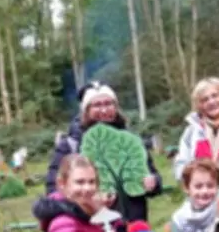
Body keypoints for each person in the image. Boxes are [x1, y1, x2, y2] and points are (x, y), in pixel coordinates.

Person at [44, 81, 162, 224]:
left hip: (134, 224)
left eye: (108, 104)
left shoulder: (130, 141)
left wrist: (153, 182)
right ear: (86, 110)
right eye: (97, 105)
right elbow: (54, 188)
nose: (104, 110)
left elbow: (151, 173)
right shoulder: (71, 145)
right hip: (92, 227)